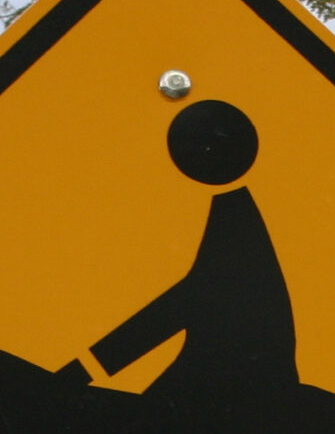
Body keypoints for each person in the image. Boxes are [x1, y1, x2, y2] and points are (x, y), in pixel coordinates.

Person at [62, 100, 301, 414]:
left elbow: (187, 301)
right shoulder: (230, 211)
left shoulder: (234, 220)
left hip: (235, 377)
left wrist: (87, 368)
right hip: (224, 367)